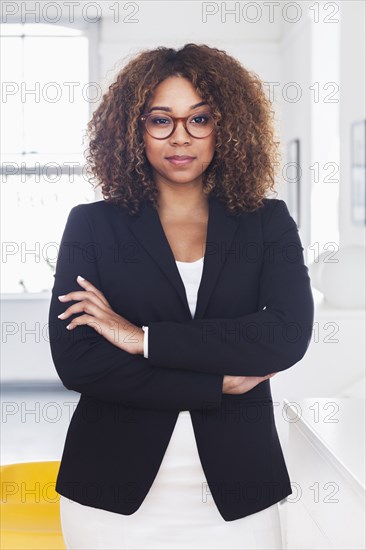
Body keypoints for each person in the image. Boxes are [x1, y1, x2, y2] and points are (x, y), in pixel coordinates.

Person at [48, 43, 314, 549]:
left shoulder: (267, 222)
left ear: (227, 126)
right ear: (133, 129)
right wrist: (214, 384)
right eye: (160, 120)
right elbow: (79, 361)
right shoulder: (91, 226)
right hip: (109, 492)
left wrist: (142, 339)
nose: (181, 138)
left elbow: (285, 336)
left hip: (239, 492)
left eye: (200, 119)